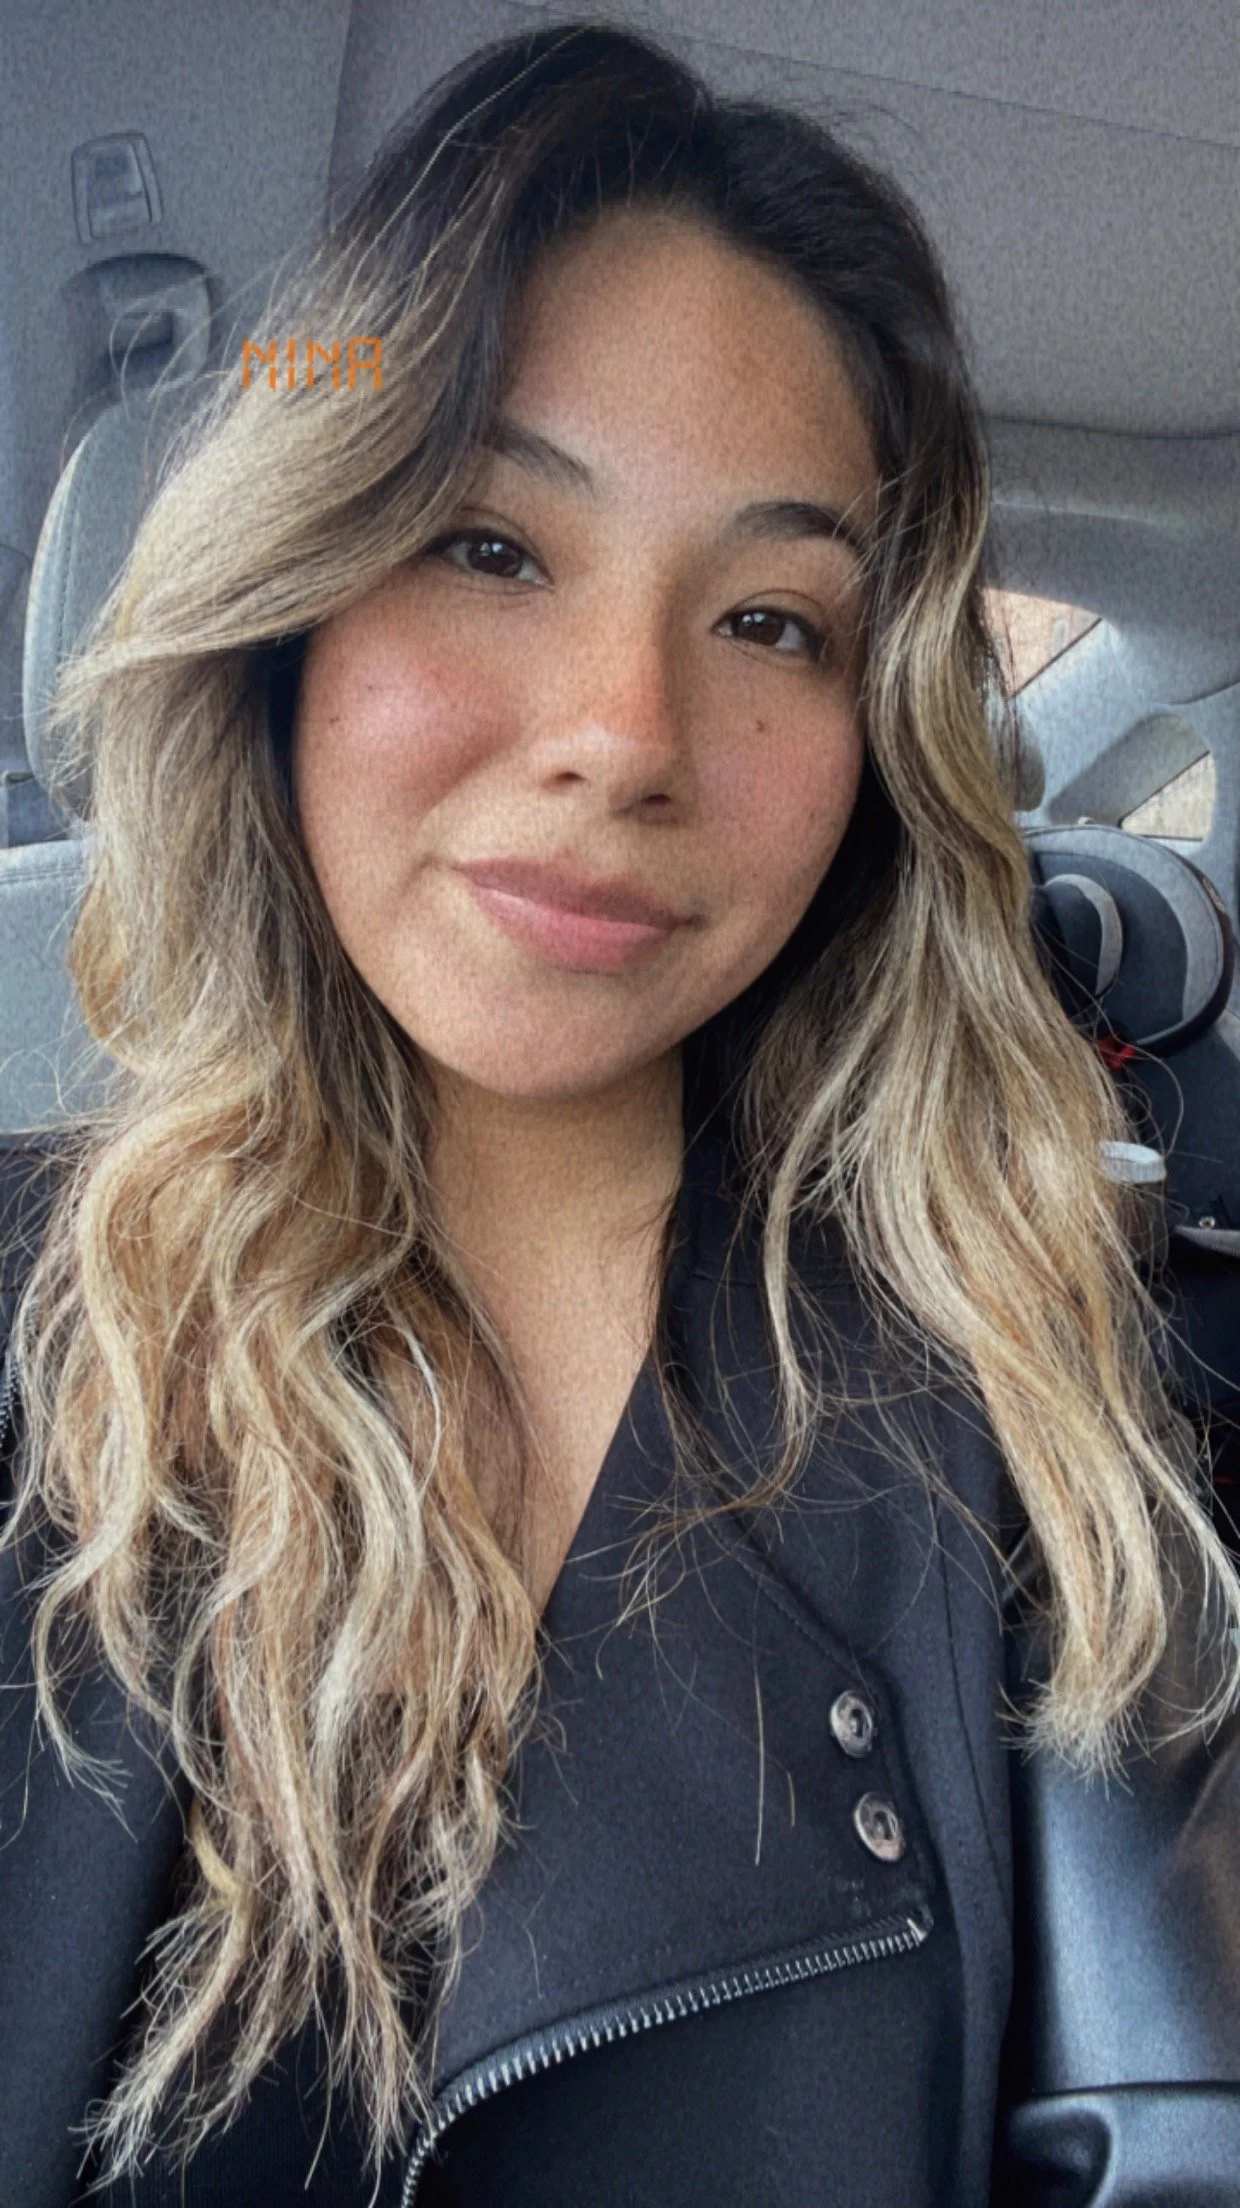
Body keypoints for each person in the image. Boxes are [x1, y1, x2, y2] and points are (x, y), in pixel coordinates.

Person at [2, 17, 1239, 2207]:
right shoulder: (36, 1351)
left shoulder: (1043, 1420)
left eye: (767, 617)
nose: (622, 734)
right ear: (291, 600)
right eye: (487, 545)